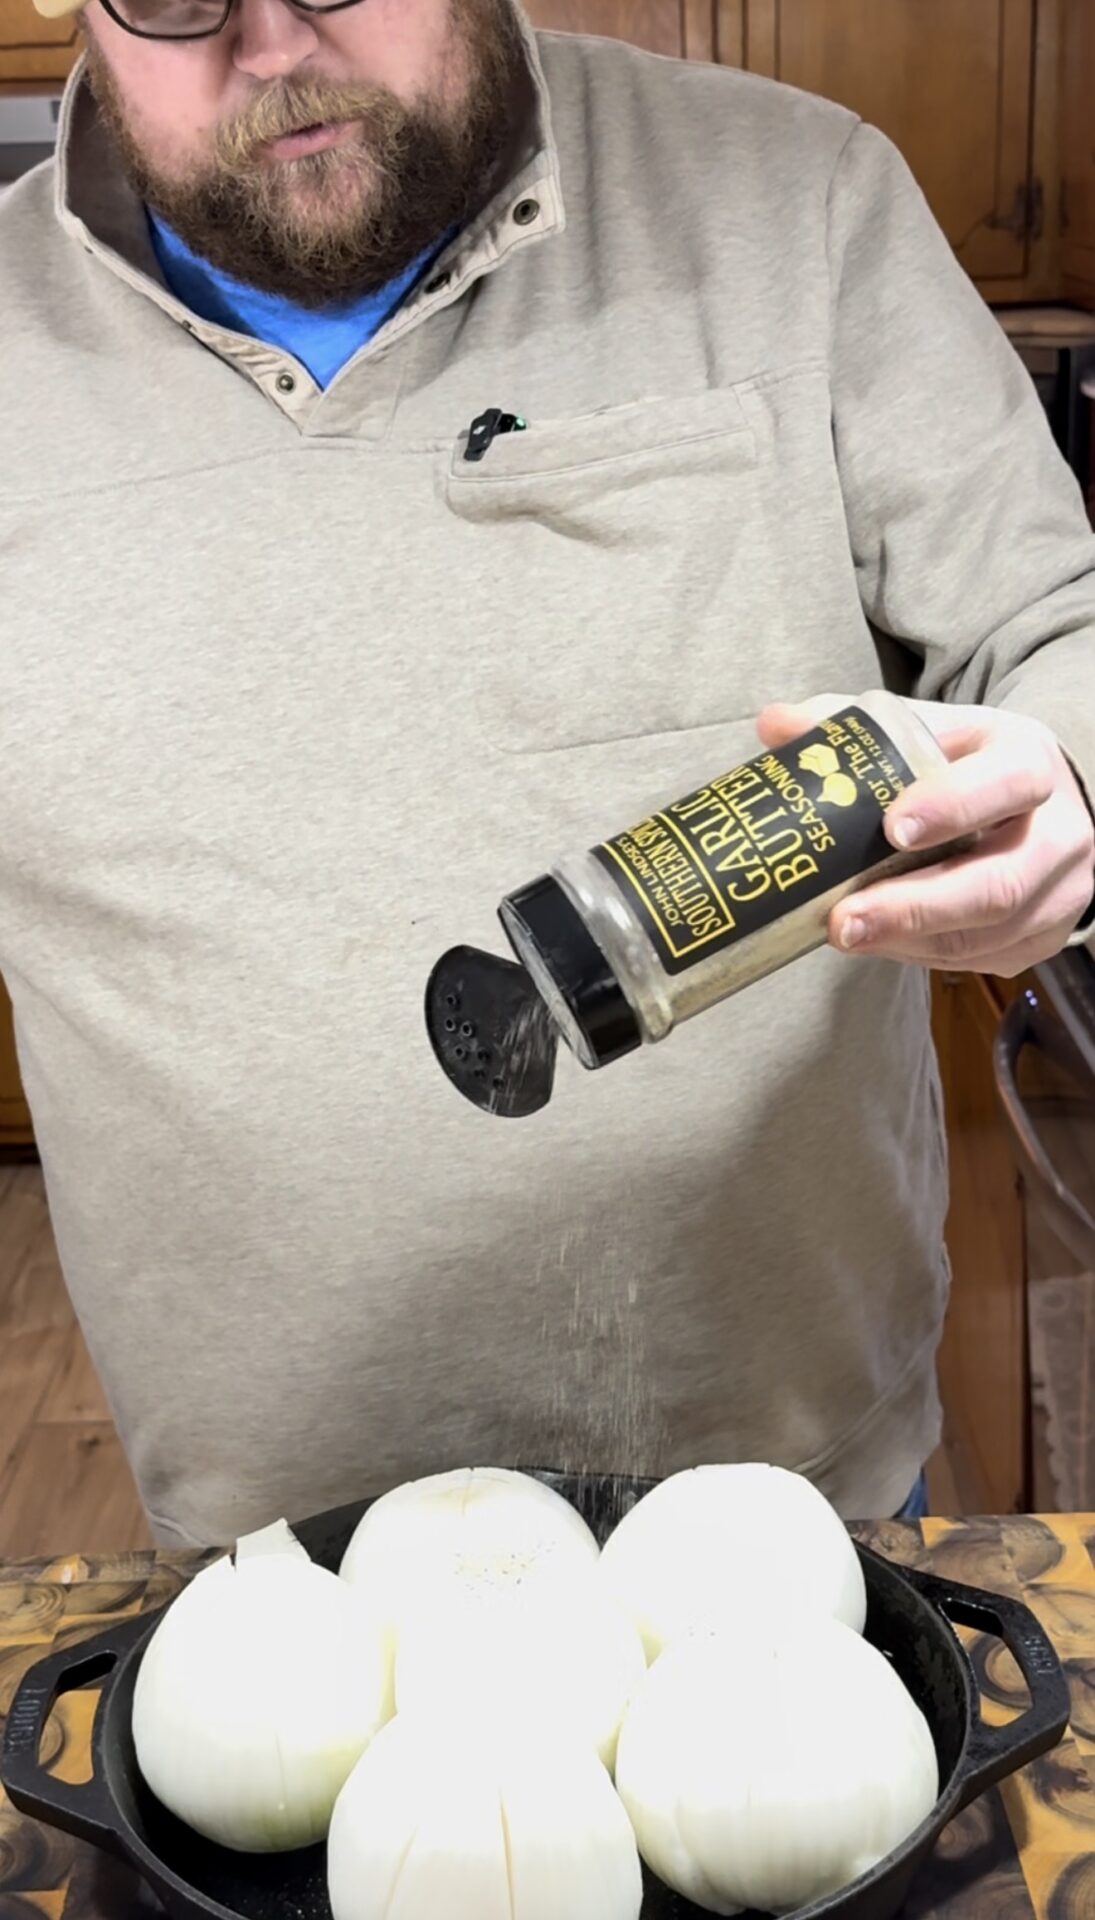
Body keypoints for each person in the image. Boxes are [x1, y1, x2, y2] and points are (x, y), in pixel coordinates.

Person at [1, 0, 1092, 1548]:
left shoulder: (799, 199)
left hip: (792, 1502)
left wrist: (1071, 776)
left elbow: (1055, 625)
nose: (268, 41)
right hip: (279, 1566)